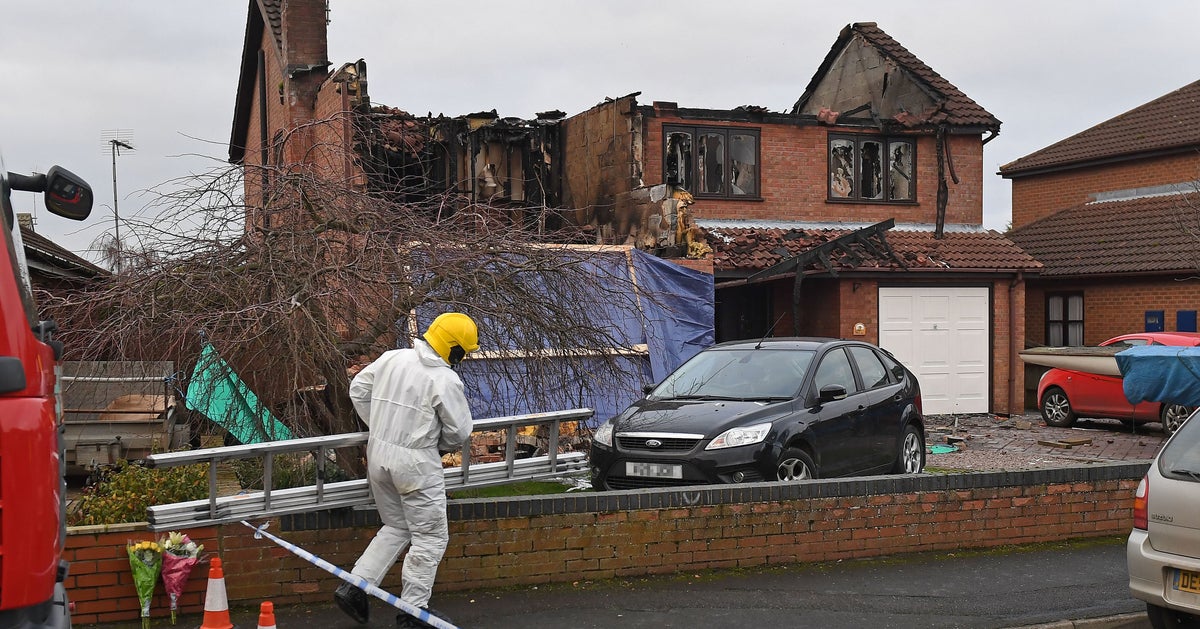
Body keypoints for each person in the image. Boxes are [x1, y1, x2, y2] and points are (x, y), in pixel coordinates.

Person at [335, 312, 479, 628]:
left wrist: (383, 426)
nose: (463, 359)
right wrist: (430, 441)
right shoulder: (444, 378)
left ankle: (355, 585)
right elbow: (459, 431)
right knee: (430, 537)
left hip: (379, 455)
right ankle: (413, 611)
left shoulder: (392, 358)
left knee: (396, 525)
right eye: (463, 352)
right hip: (415, 464)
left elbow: (358, 389)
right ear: (453, 349)